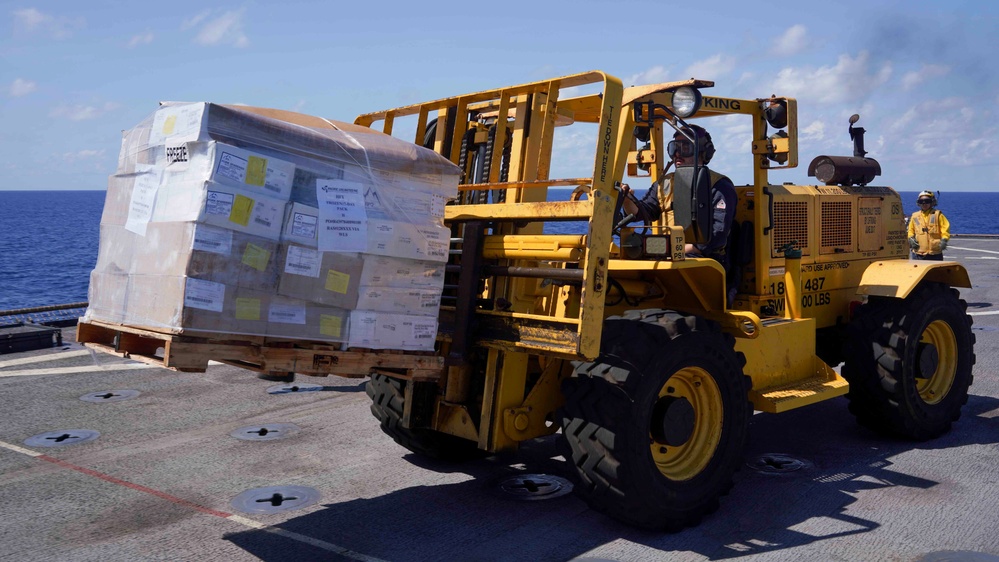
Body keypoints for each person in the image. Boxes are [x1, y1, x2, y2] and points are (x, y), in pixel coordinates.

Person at [621, 124, 737, 269]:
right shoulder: (665, 183)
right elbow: (644, 212)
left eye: (685, 148)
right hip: (667, 256)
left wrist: (674, 251)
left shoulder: (718, 186)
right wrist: (626, 199)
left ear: (703, 151)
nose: (677, 154)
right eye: (674, 148)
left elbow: (716, 235)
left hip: (705, 261)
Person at [907, 190, 950, 261]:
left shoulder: (938, 215)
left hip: (935, 254)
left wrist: (944, 239)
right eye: (921, 201)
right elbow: (910, 230)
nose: (924, 203)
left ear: (932, 202)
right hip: (918, 254)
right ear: (918, 203)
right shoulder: (915, 216)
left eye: (927, 201)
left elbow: (945, 229)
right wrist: (911, 239)